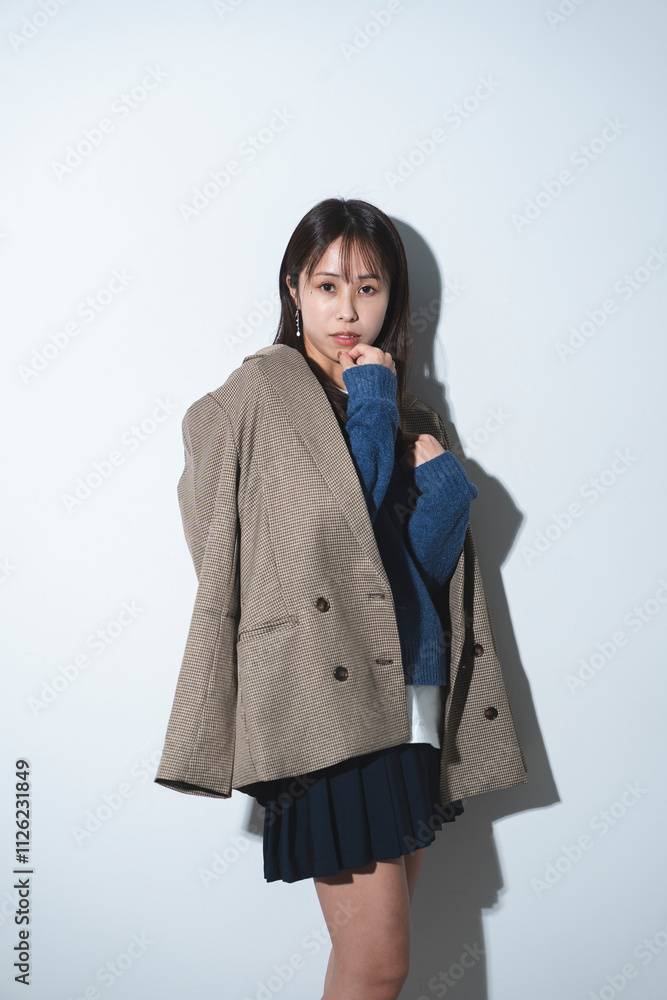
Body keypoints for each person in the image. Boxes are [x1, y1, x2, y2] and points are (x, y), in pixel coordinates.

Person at [155, 197, 528, 1000]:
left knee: (371, 965)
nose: (348, 310)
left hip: (413, 695)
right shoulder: (253, 401)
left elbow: (407, 573)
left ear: (392, 297)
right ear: (293, 289)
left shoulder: (404, 409)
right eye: (327, 286)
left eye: (368, 287)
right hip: (323, 706)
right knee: (379, 964)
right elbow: (316, 542)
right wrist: (371, 403)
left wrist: (446, 497)